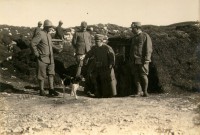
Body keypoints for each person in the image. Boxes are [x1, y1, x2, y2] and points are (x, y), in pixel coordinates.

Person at [31, 19, 62, 96]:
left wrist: (57, 49)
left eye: (51, 27)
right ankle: (41, 90)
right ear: (45, 27)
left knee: (51, 74)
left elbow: (50, 44)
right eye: (49, 27)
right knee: (41, 75)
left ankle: (51, 89)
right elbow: (32, 43)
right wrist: (36, 53)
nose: (51, 28)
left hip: (50, 58)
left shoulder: (48, 35)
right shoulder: (40, 34)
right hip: (42, 58)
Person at [129, 22, 153, 97]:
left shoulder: (145, 36)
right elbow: (131, 50)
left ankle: (145, 92)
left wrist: (147, 59)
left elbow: (148, 48)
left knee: (143, 75)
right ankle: (139, 92)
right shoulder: (133, 38)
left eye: (133, 28)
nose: (131, 30)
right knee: (136, 75)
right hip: (134, 60)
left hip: (142, 60)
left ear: (137, 28)